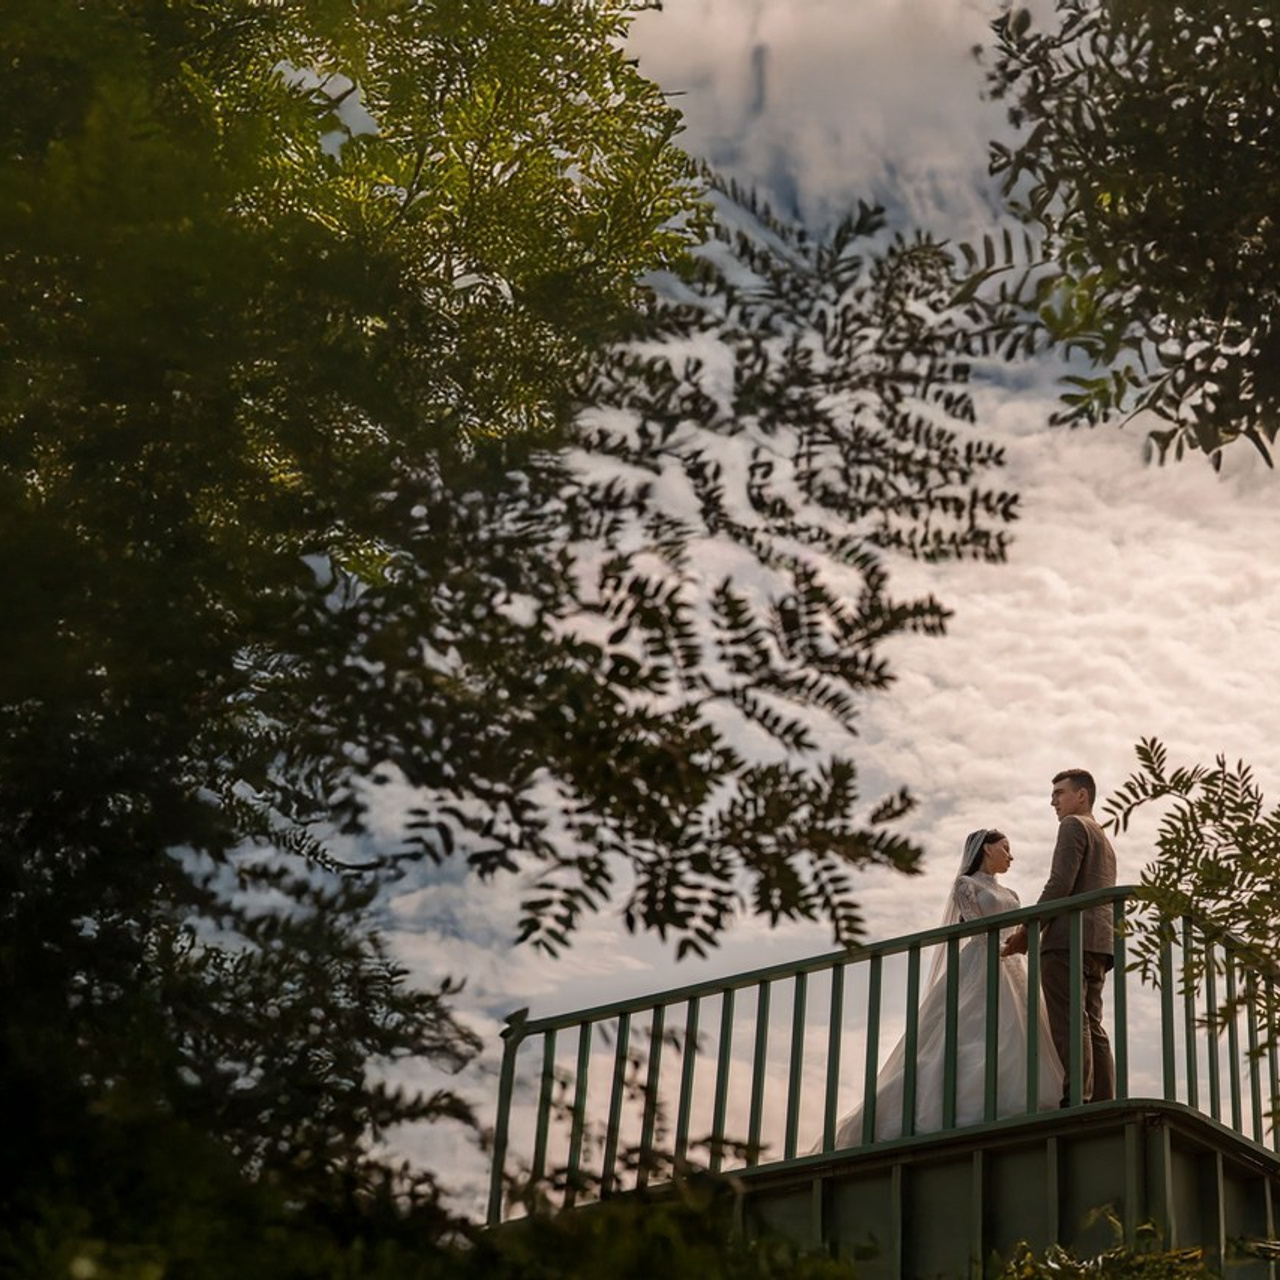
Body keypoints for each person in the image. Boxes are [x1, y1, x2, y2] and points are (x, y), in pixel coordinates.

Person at [830, 829, 1063, 1147]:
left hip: (1013, 965)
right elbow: (975, 928)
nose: (1011, 855)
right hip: (982, 960)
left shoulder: (1012, 894)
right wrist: (998, 955)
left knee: (1022, 1030)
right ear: (986, 850)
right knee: (969, 1028)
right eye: (1005, 848)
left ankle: (1021, 1099)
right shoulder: (966, 885)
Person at [1002, 768, 1117, 1107]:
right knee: (1093, 1023)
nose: (1052, 801)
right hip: (1099, 942)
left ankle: (1077, 1100)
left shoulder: (1073, 825)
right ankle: (1102, 1100)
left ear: (1082, 795)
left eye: (1059, 793)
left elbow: (1060, 884)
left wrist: (1028, 929)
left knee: (1070, 1022)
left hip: (1067, 939)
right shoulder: (1104, 839)